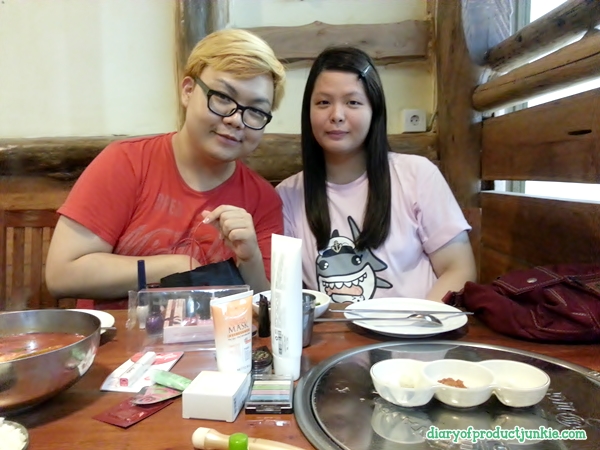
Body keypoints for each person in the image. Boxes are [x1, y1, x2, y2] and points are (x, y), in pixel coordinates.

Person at [45, 29, 286, 305]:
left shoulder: (262, 200)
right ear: (188, 91)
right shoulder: (127, 163)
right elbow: (61, 274)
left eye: (255, 111)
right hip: (117, 333)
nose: (236, 120)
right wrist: (174, 267)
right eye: (222, 97)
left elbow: (267, 306)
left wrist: (250, 258)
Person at [276, 47, 476, 303]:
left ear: (375, 110)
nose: (337, 115)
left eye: (353, 102)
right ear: (308, 112)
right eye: (323, 102)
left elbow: (458, 269)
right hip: (333, 330)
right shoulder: (288, 196)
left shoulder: (417, 174)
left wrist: (414, 323)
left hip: (419, 326)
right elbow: (283, 293)